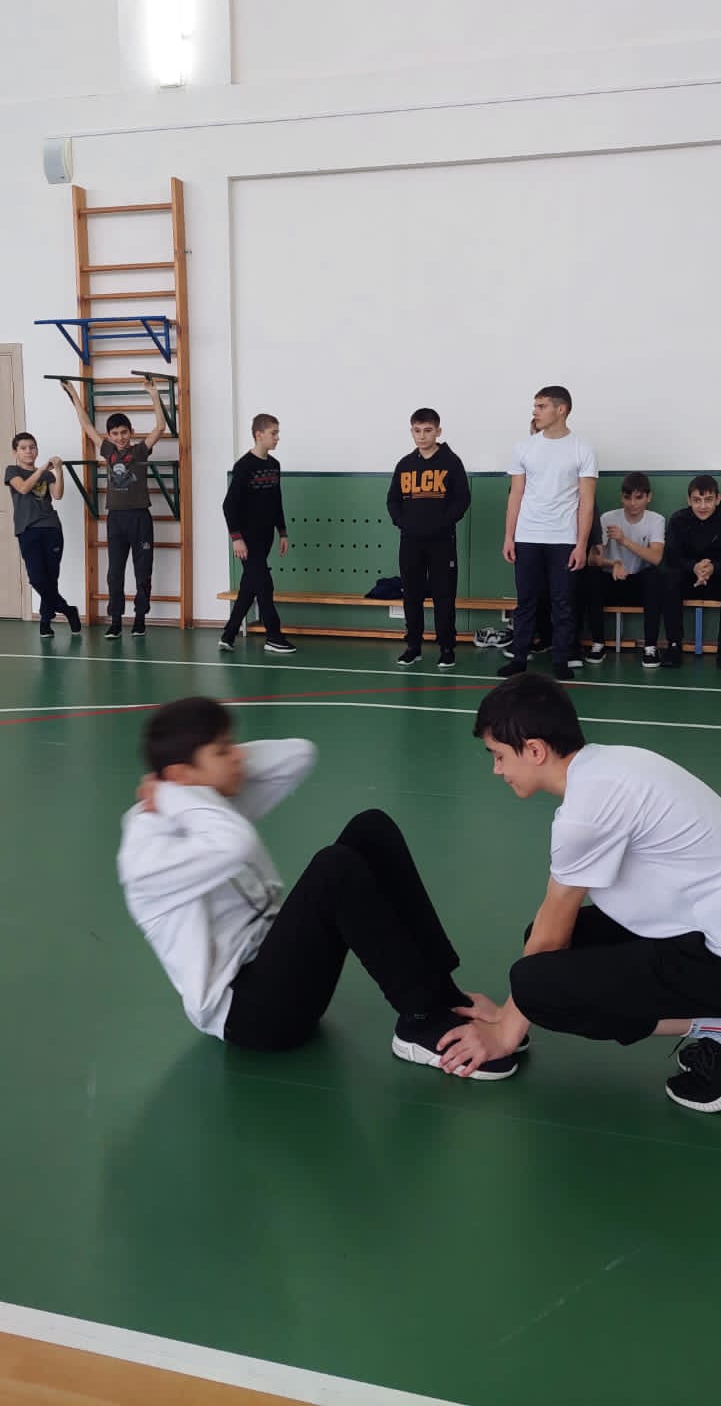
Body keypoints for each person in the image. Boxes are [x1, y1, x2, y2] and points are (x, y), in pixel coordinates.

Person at [117, 696, 525, 1079]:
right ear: (182, 775)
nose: (238, 755)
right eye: (223, 750)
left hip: (277, 972)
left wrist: (181, 786)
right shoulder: (148, 859)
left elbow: (298, 756)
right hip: (252, 1017)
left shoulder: (202, 806)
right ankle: (421, 1022)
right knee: (334, 869)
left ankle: (442, 996)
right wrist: (174, 793)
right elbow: (234, 843)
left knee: (371, 829)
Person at [436, 672, 721, 1113]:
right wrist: (510, 1011)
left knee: (539, 983)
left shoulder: (586, 813)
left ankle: (712, 1024)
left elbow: (551, 936)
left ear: (535, 750)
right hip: (702, 928)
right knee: (547, 958)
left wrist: (506, 1030)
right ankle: (711, 1021)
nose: (497, 770)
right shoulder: (610, 766)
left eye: (499, 756)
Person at [498, 386, 597, 682]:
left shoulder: (582, 449)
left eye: (541, 406)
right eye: (535, 406)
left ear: (561, 409)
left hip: (564, 539)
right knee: (526, 600)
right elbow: (516, 494)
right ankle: (519, 658)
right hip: (527, 536)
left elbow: (587, 501)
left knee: (563, 603)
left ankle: (561, 660)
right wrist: (509, 537)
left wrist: (581, 545)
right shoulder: (524, 447)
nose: (535, 411)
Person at [61, 378, 166, 639]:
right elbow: (86, 425)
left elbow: (160, 427)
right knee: (114, 573)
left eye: (124, 432)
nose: (120, 437)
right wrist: (73, 394)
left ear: (131, 432)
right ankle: (116, 621)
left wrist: (154, 395)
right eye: (115, 433)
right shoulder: (108, 450)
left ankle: (140, 619)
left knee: (143, 571)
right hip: (116, 519)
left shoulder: (140, 451)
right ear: (109, 436)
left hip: (140, 518)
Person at [387, 408, 470, 670]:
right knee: (411, 595)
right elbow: (393, 500)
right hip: (410, 542)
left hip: (441, 542)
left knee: (444, 596)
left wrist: (442, 524)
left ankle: (447, 648)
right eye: (417, 431)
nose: (422, 436)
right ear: (411, 432)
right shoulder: (405, 464)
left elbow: (462, 499)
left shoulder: (451, 462)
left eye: (427, 430)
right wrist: (403, 522)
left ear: (438, 431)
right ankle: (413, 646)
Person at [219, 414, 295, 654]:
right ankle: (274, 636)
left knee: (249, 586)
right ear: (259, 434)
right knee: (264, 585)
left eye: (277, 433)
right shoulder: (244, 466)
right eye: (273, 433)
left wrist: (282, 532)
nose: (277, 438)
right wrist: (236, 538)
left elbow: (276, 501)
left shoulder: (274, 465)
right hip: (247, 539)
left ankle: (228, 635)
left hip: (266, 537)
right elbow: (229, 505)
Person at [582, 472, 665, 669]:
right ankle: (598, 643)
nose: (632, 503)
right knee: (591, 575)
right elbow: (592, 559)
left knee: (656, 576)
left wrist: (624, 541)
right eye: (628, 497)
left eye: (638, 497)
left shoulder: (656, 520)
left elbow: (656, 558)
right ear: (622, 497)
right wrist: (614, 564)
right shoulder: (607, 518)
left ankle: (650, 647)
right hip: (612, 580)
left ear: (648, 497)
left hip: (639, 585)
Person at [4, 433, 81, 639]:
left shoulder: (47, 475)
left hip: (51, 528)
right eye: (23, 448)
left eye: (32, 447)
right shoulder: (12, 471)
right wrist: (41, 470)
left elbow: (58, 495)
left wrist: (58, 470)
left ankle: (45, 623)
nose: (29, 451)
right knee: (37, 578)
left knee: (50, 578)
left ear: (37, 450)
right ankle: (67, 610)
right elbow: (23, 488)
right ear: (15, 452)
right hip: (27, 530)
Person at [660, 474, 721, 669]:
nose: (703, 506)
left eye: (708, 500)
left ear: (718, 499)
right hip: (687, 580)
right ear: (688, 500)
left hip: (716, 580)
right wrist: (694, 567)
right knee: (669, 576)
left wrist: (713, 567)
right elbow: (672, 556)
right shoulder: (678, 520)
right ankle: (674, 646)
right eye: (697, 500)